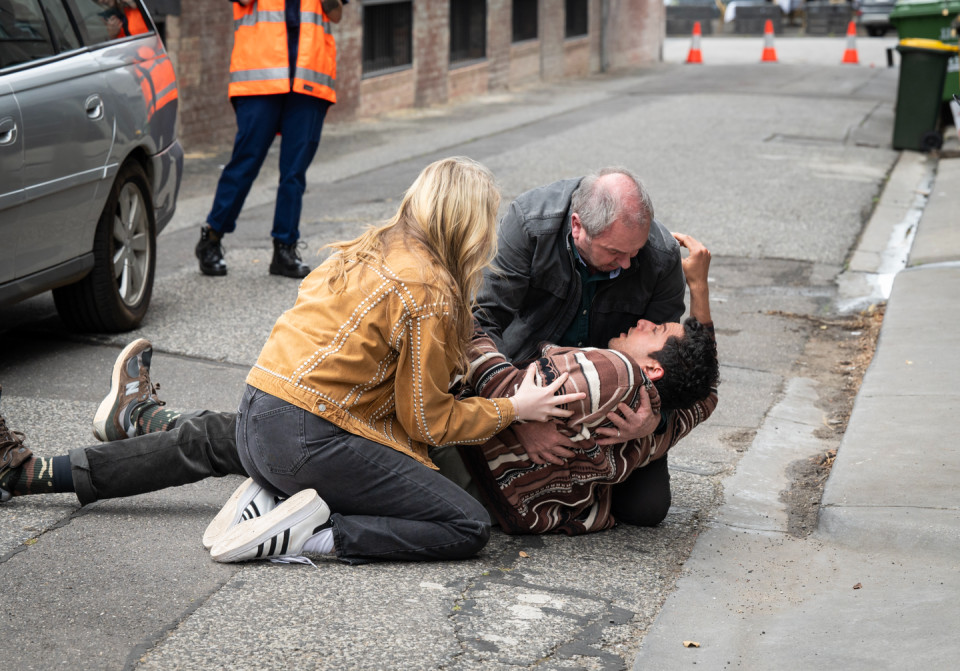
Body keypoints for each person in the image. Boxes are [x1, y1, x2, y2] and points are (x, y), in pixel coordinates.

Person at [0, 232, 717, 548]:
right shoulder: (655, 418)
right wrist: (700, 298)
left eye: (658, 330)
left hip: (455, 465)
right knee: (238, 435)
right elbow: (703, 393)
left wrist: (502, 389)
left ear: (651, 367)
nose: (646, 321)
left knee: (248, 436)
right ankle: (138, 417)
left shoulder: (605, 377)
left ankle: (124, 429)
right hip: (463, 460)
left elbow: (486, 364)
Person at [474, 167, 687, 525]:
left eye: (635, 251)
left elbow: (671, 360)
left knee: (646, 509)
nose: (627, 263)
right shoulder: (530, 225)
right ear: (577, 226)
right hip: (525, 381)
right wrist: (517, 415)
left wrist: (653, 420)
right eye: (615, 252)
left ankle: (581, 479)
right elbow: (481, 323)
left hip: (608, 401)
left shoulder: (661, 257)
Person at [194, 0, 346, 279]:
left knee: (294, 172)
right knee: (246, 162)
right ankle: (212, 237)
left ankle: (284, 248)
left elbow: (335, 14)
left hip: (308, 77)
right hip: (260, 76)